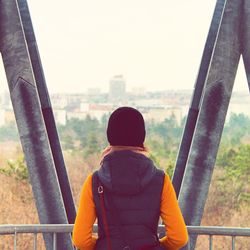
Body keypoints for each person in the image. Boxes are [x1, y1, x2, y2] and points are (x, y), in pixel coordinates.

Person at [72, 107, 188, 250]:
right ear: (142, 136)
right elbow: (179, 238)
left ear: (110, 136)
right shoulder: (161, 180)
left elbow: (80, 240)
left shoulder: (94, 181)